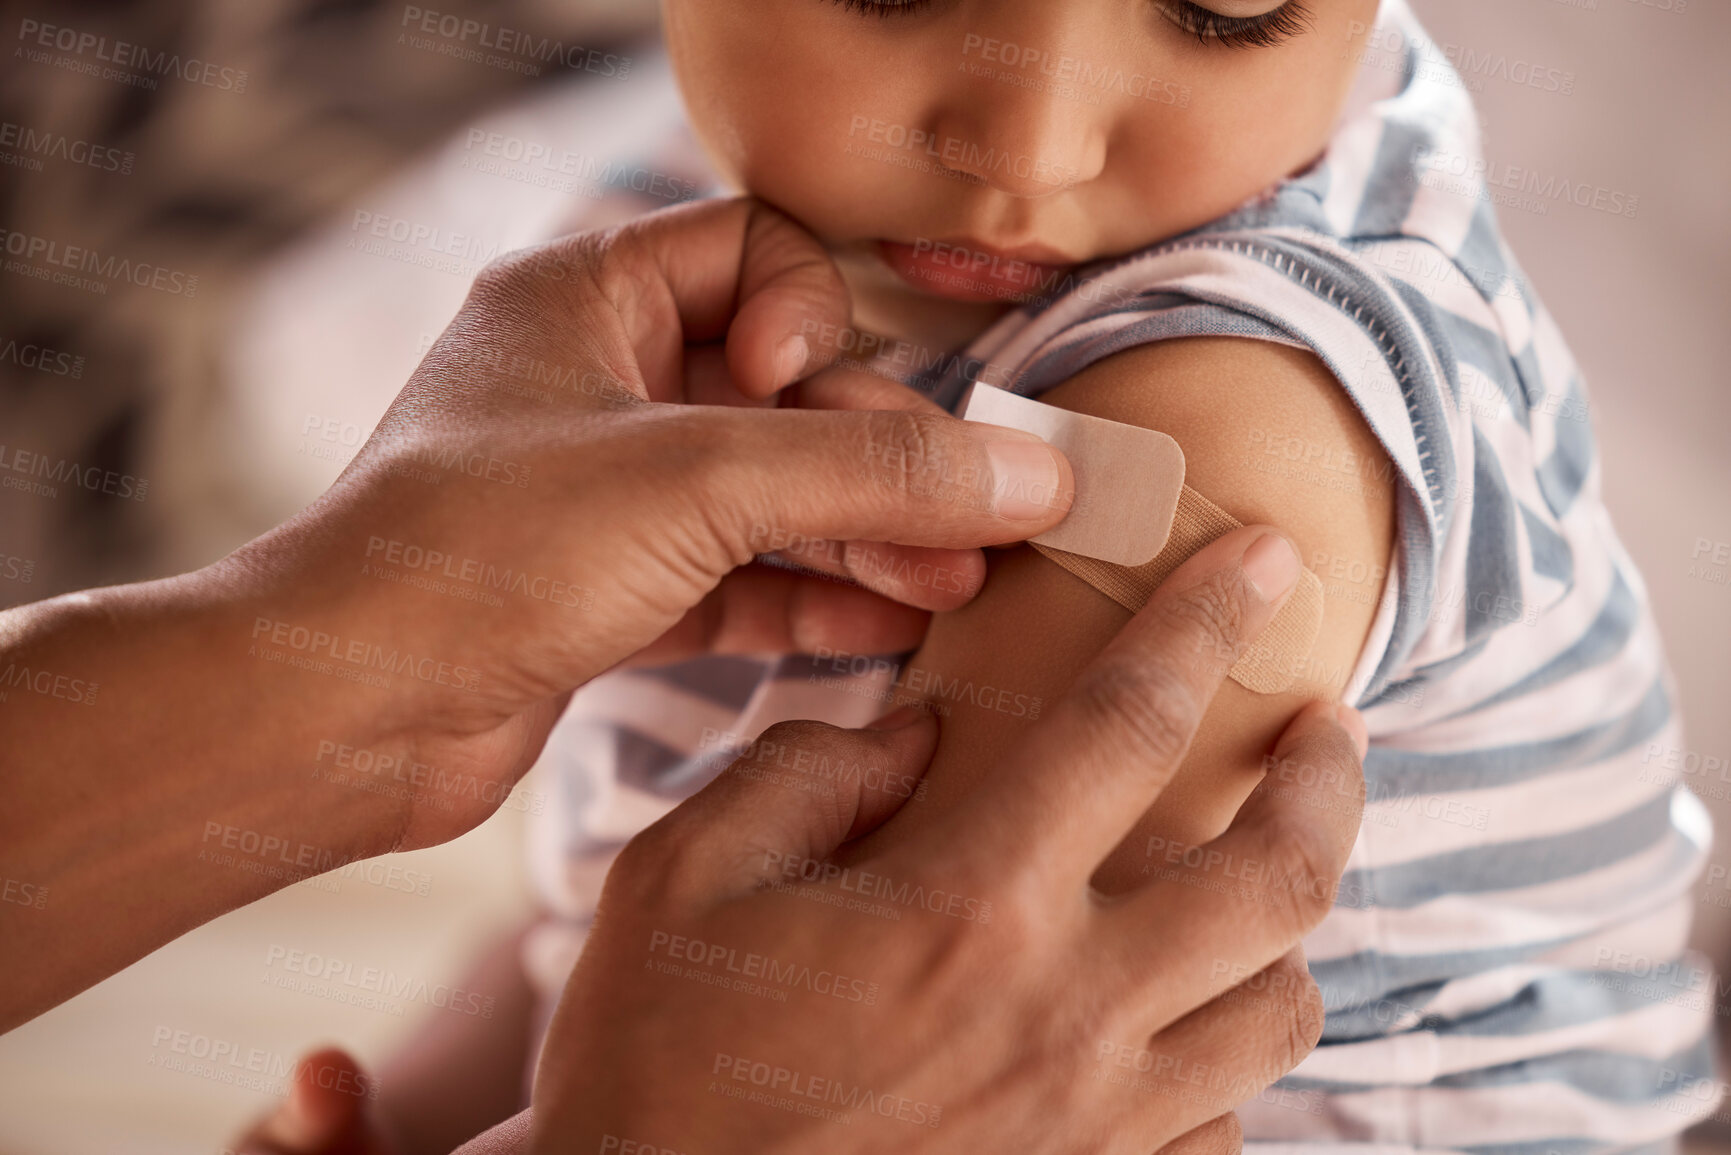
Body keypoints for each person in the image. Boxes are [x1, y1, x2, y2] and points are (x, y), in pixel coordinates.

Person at [294, 0, 1714, 1150]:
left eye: (1224, 8)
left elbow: (891, 1066)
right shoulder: (694, 225)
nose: (1031, 147)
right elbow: (641, 912)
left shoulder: (1228, 399)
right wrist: (432, 1106)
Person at [0, 198, 1369, 1153]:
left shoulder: (1221, 369)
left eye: (1222, 9)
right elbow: (617, 957)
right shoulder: (677, 264)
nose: (1029, 142)